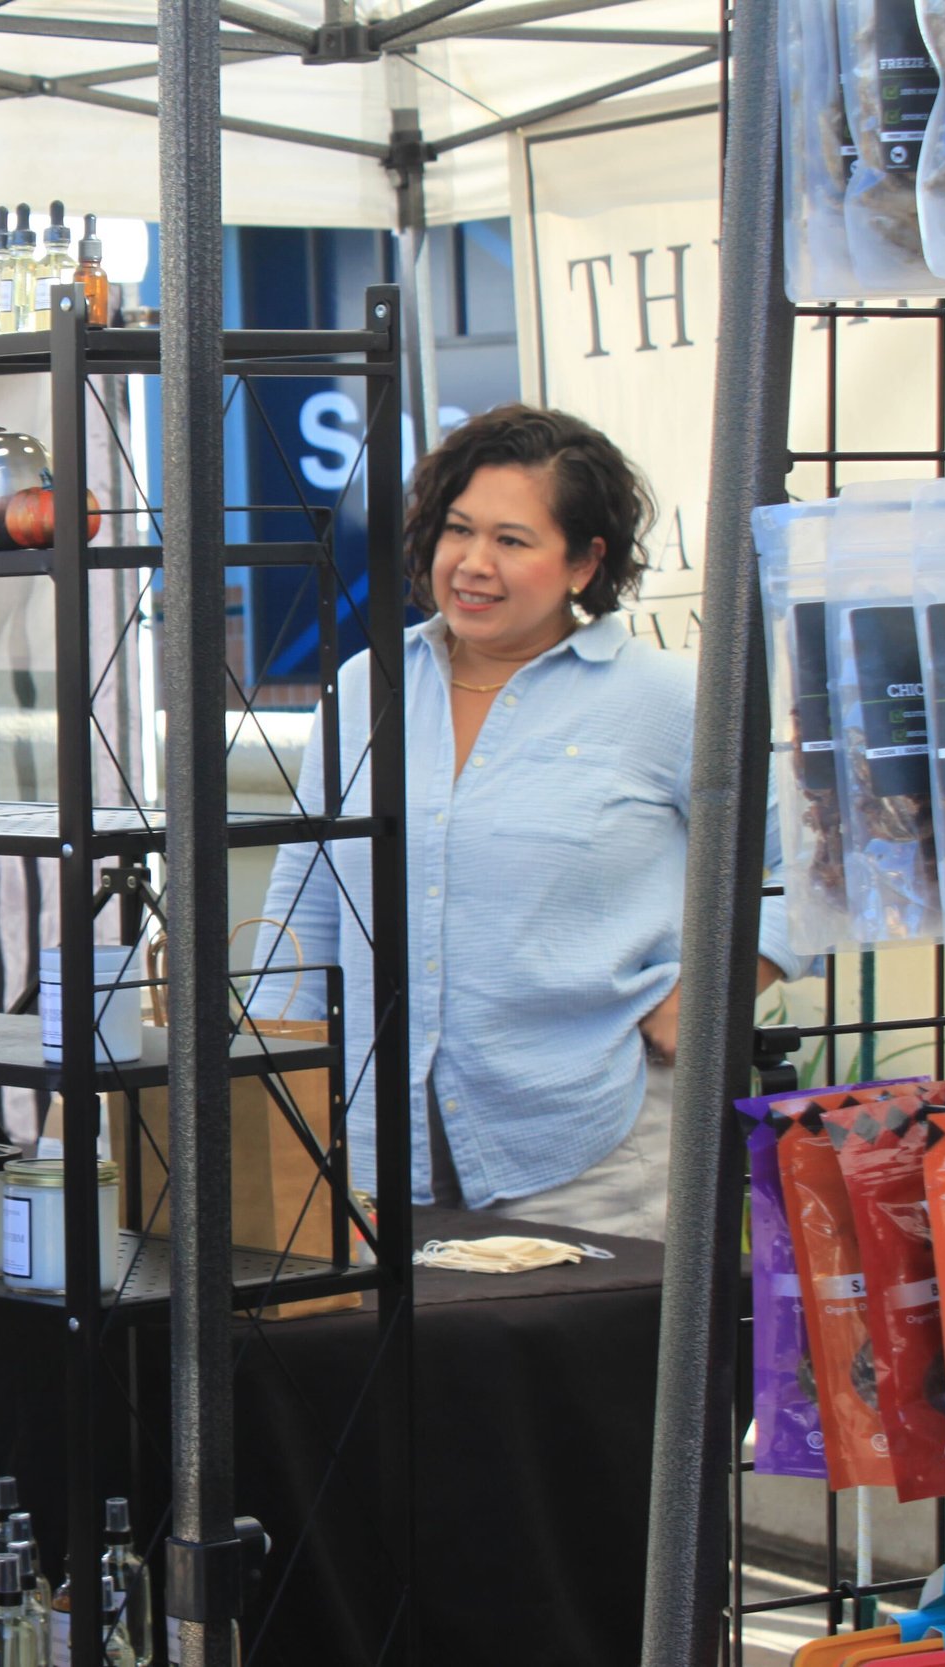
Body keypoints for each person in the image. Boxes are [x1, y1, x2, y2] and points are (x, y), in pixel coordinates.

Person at [257, 404, 803, 1242]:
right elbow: (311, 898)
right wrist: (268, 1082)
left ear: (586, 562)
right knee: (380, 1370)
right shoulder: (372, 686)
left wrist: (705, 998)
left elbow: (806, 864)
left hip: (589, 1149)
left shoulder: (665, 698)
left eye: (513, 541)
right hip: (369, 1148)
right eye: (458, 530)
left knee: (582, 1369)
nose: (473, 564)